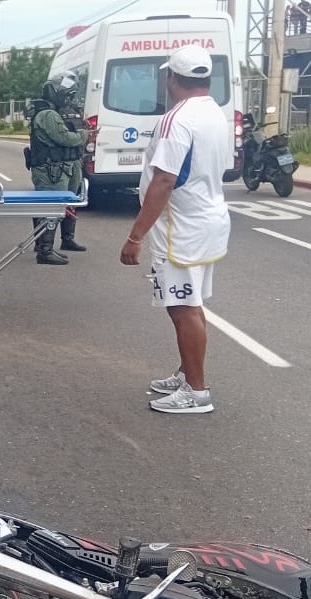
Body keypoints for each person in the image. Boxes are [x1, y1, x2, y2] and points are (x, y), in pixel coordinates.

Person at [119, 45, 230, 415]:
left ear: (172, 79)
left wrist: (135, 236)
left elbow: (164, 179)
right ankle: (188, 374)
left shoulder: (176, 119)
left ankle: (196, 392)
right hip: (208, 219)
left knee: (182, 308)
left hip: (179, 229)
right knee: (188, 305)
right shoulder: (215, 112)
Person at [26, 73, 88, 265]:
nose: (68, 100)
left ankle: (55, 243)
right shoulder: (47, 115)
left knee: (63, 205)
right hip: (51, 169)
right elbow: (65, 138)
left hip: (61, 167)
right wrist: (84, 135)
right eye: (66, 95)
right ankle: (44, 250)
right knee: (51, 207)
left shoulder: (54, 112)